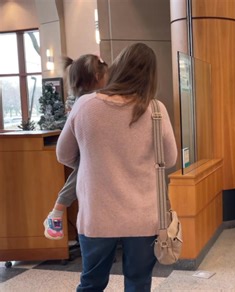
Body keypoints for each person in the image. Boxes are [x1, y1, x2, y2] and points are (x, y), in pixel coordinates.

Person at [56, 43, 178, 291]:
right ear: (152, 76)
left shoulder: (85, 105)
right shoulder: (155, 109)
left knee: (91, 282)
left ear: (118, 67)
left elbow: (64, 155)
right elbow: (170, 158)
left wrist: (95, 162)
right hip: (143, 216)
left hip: (97, 215)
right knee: (138, 282)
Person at [44, 54, 108, 240]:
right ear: (97, 76)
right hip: (83, 145)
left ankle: (57, 210)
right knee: (82, 168)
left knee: (81, 168)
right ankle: (57, 209)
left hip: (82, 145)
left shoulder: (79, 99)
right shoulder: (89, 101)